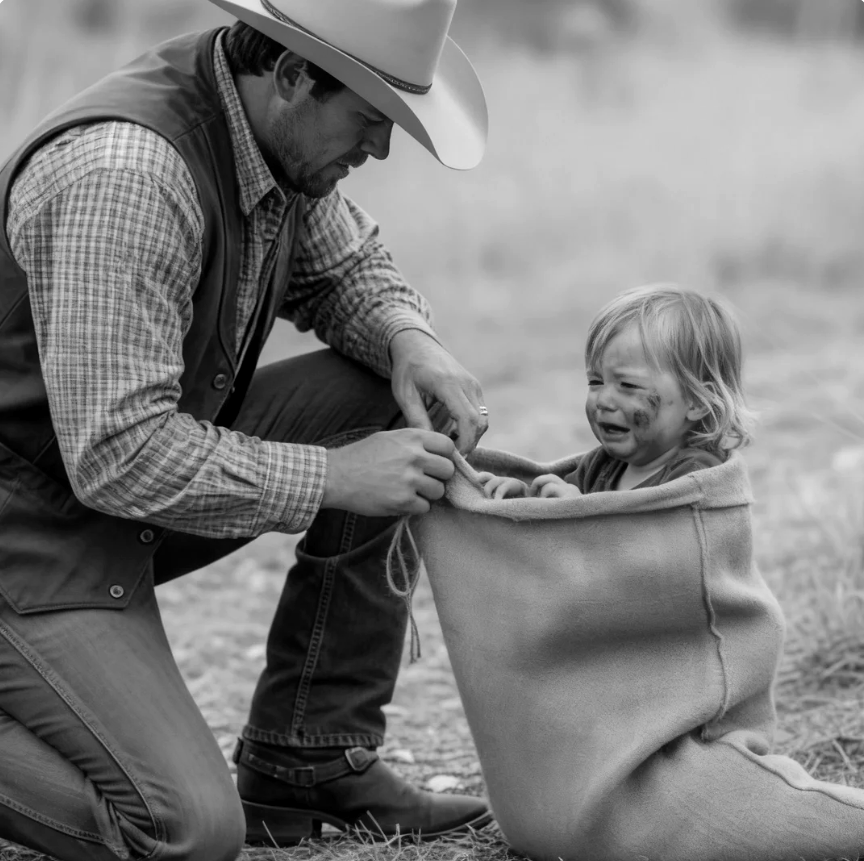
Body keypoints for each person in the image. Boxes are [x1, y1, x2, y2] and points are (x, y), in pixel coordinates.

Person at [0, 1, 493, 859]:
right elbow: (119, 454)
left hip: (90, 495)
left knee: (387, 397)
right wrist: (335, 477)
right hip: (26, 527)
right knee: (186, 831)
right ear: (295, 76)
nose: (379, 149)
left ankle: (307, 758)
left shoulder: (267, 131)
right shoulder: (129, 175)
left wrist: (410, 340)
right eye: (371, 119)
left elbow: (342, 270)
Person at [480, 284, 754, 499]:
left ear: (696, 401)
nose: (603, 400)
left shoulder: (697, 479)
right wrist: (524, 497)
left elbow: (662, 541)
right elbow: (556, 509)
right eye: (595, 382)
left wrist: (580, 511)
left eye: (628, 385)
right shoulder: (598, 467)